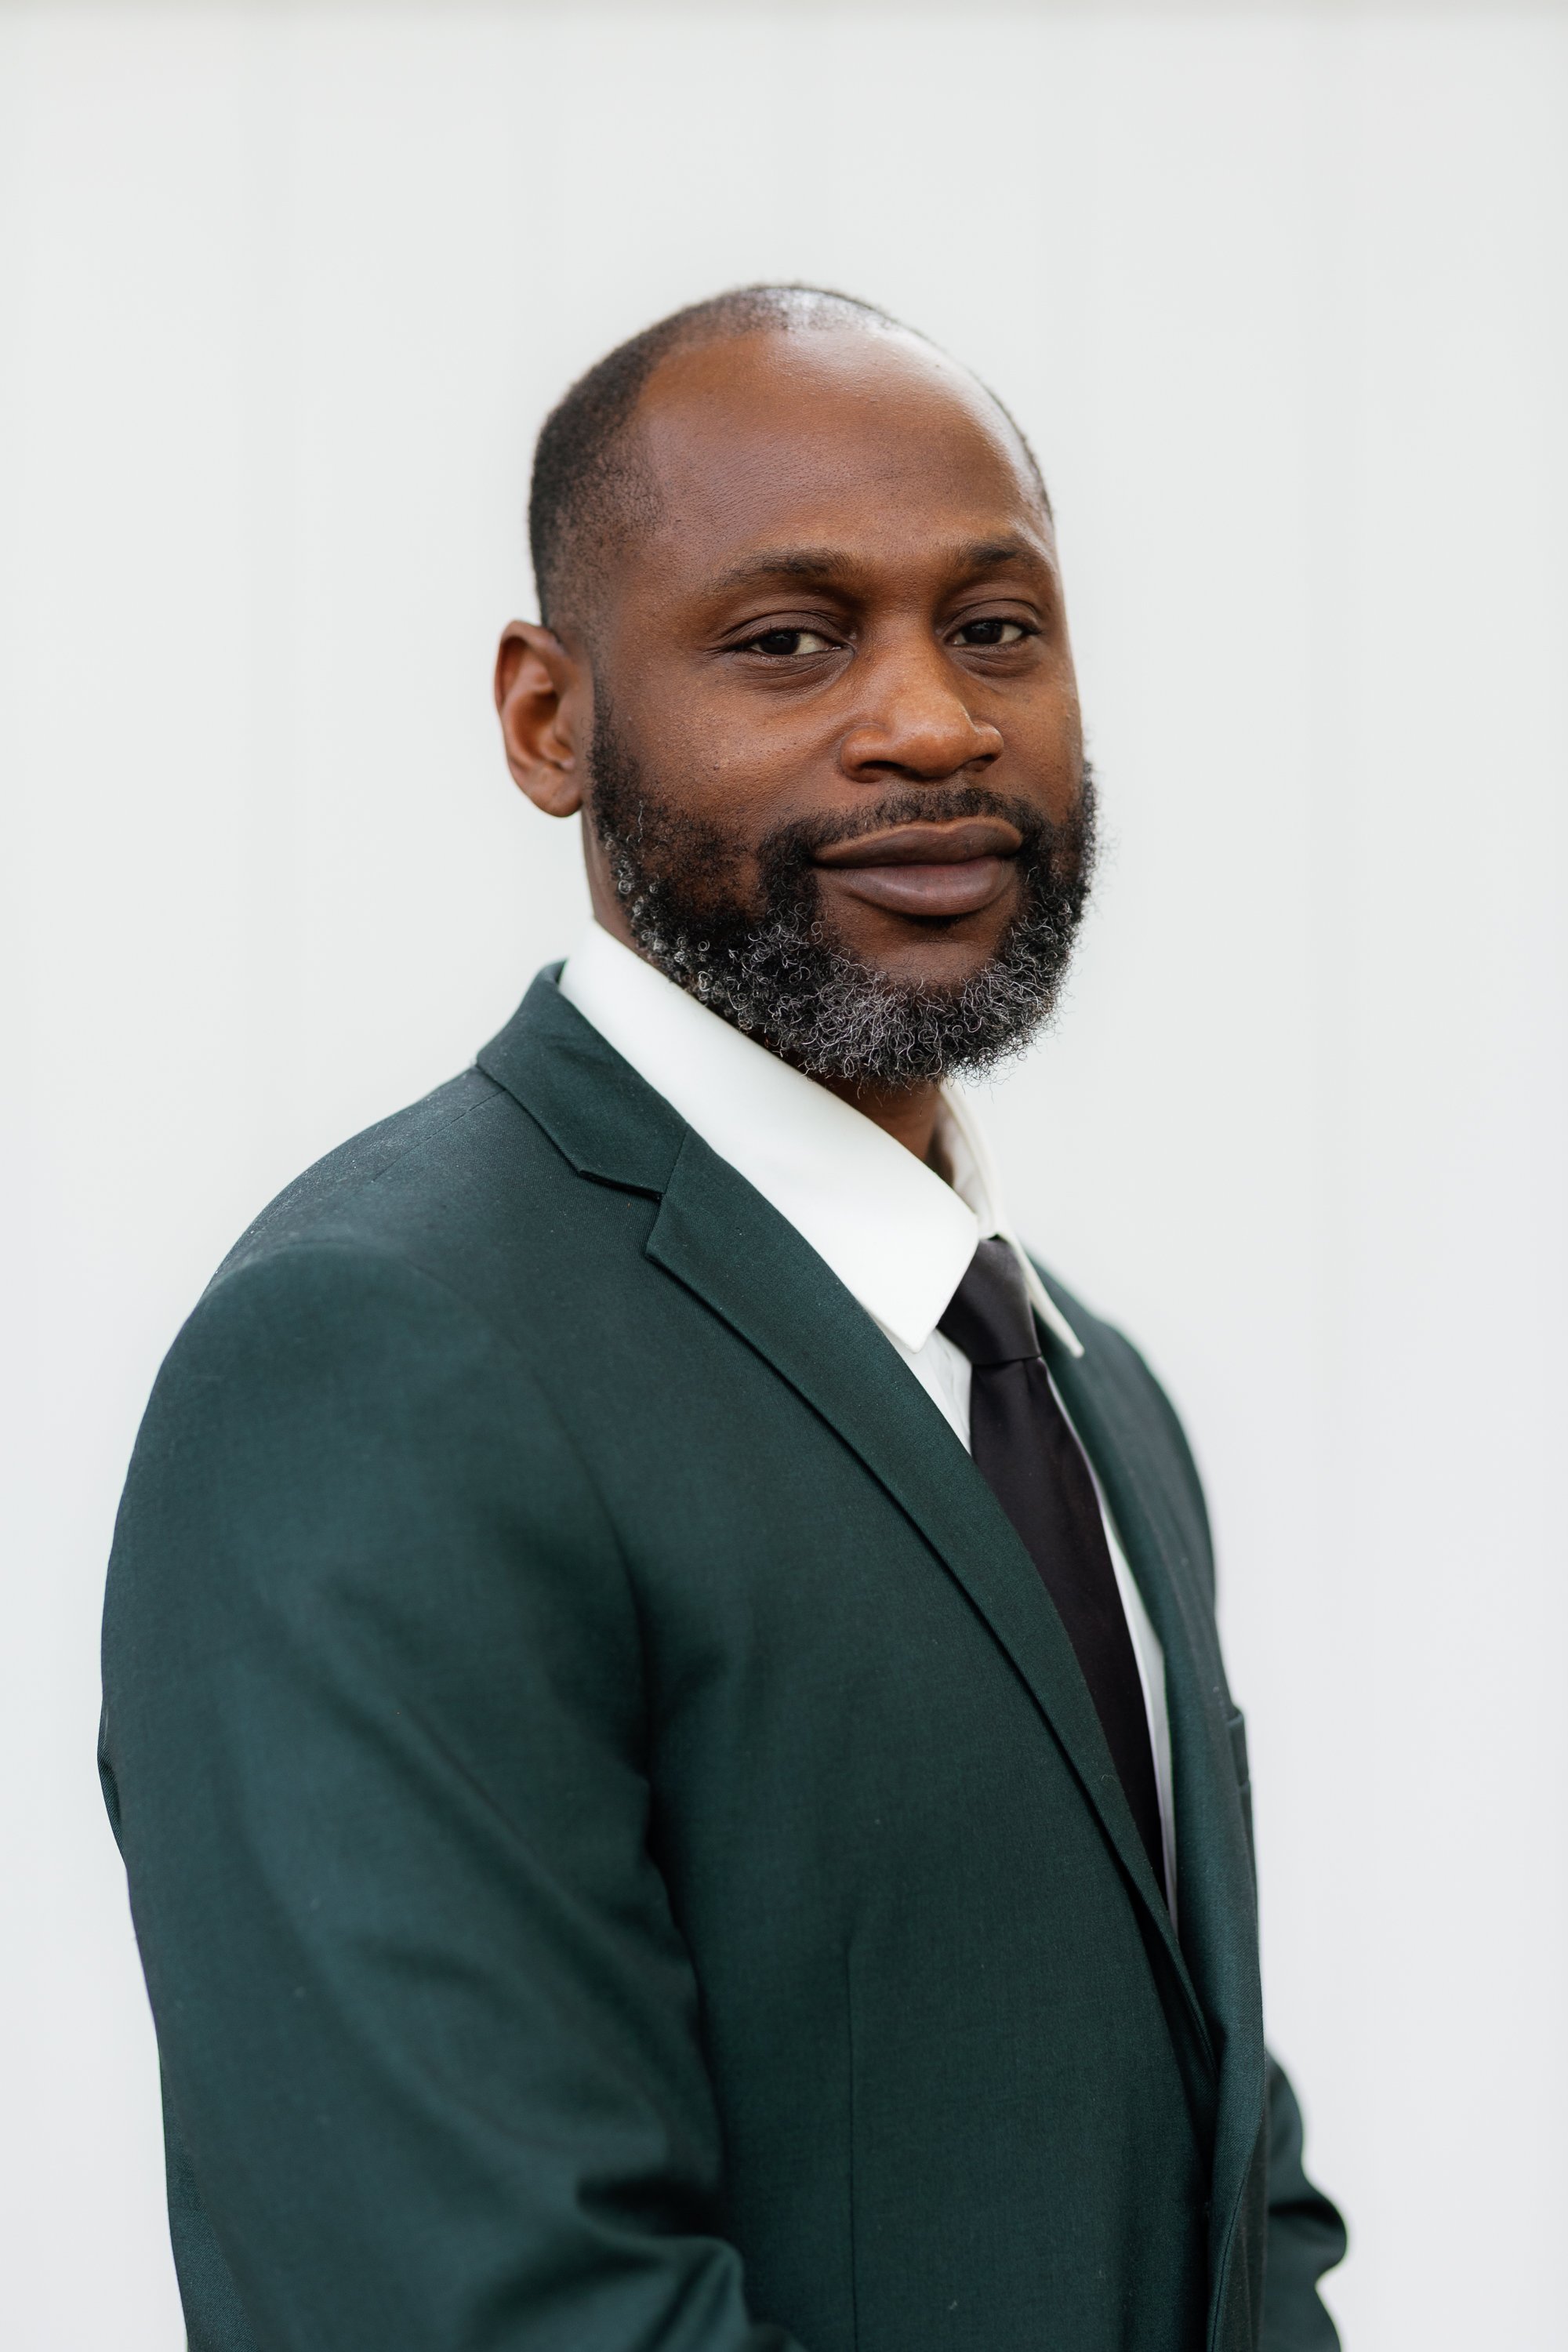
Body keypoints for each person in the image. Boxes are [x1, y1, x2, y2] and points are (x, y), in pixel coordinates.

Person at [100, 285, 1345, 2352]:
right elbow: (496, 2313)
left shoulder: (1087, 1394)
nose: (935, 722)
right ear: (545, 719)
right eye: (789, 640)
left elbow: (1233, 2205)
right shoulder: (376, 1362)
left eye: (997, 629)